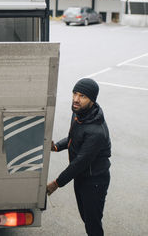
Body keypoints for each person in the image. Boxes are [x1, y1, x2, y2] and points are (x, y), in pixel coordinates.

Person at [46, 78, 111, 236]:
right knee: (86, 217)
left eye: (82, 96)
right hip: (81, 178)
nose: (76, 99)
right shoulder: (79, 114)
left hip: (94, 181)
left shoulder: (96, 131)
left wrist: (56, 183)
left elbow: (80, 163)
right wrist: (56, 147)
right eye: (75, 93)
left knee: (93, 224)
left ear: (92, 99)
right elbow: (72, 138)